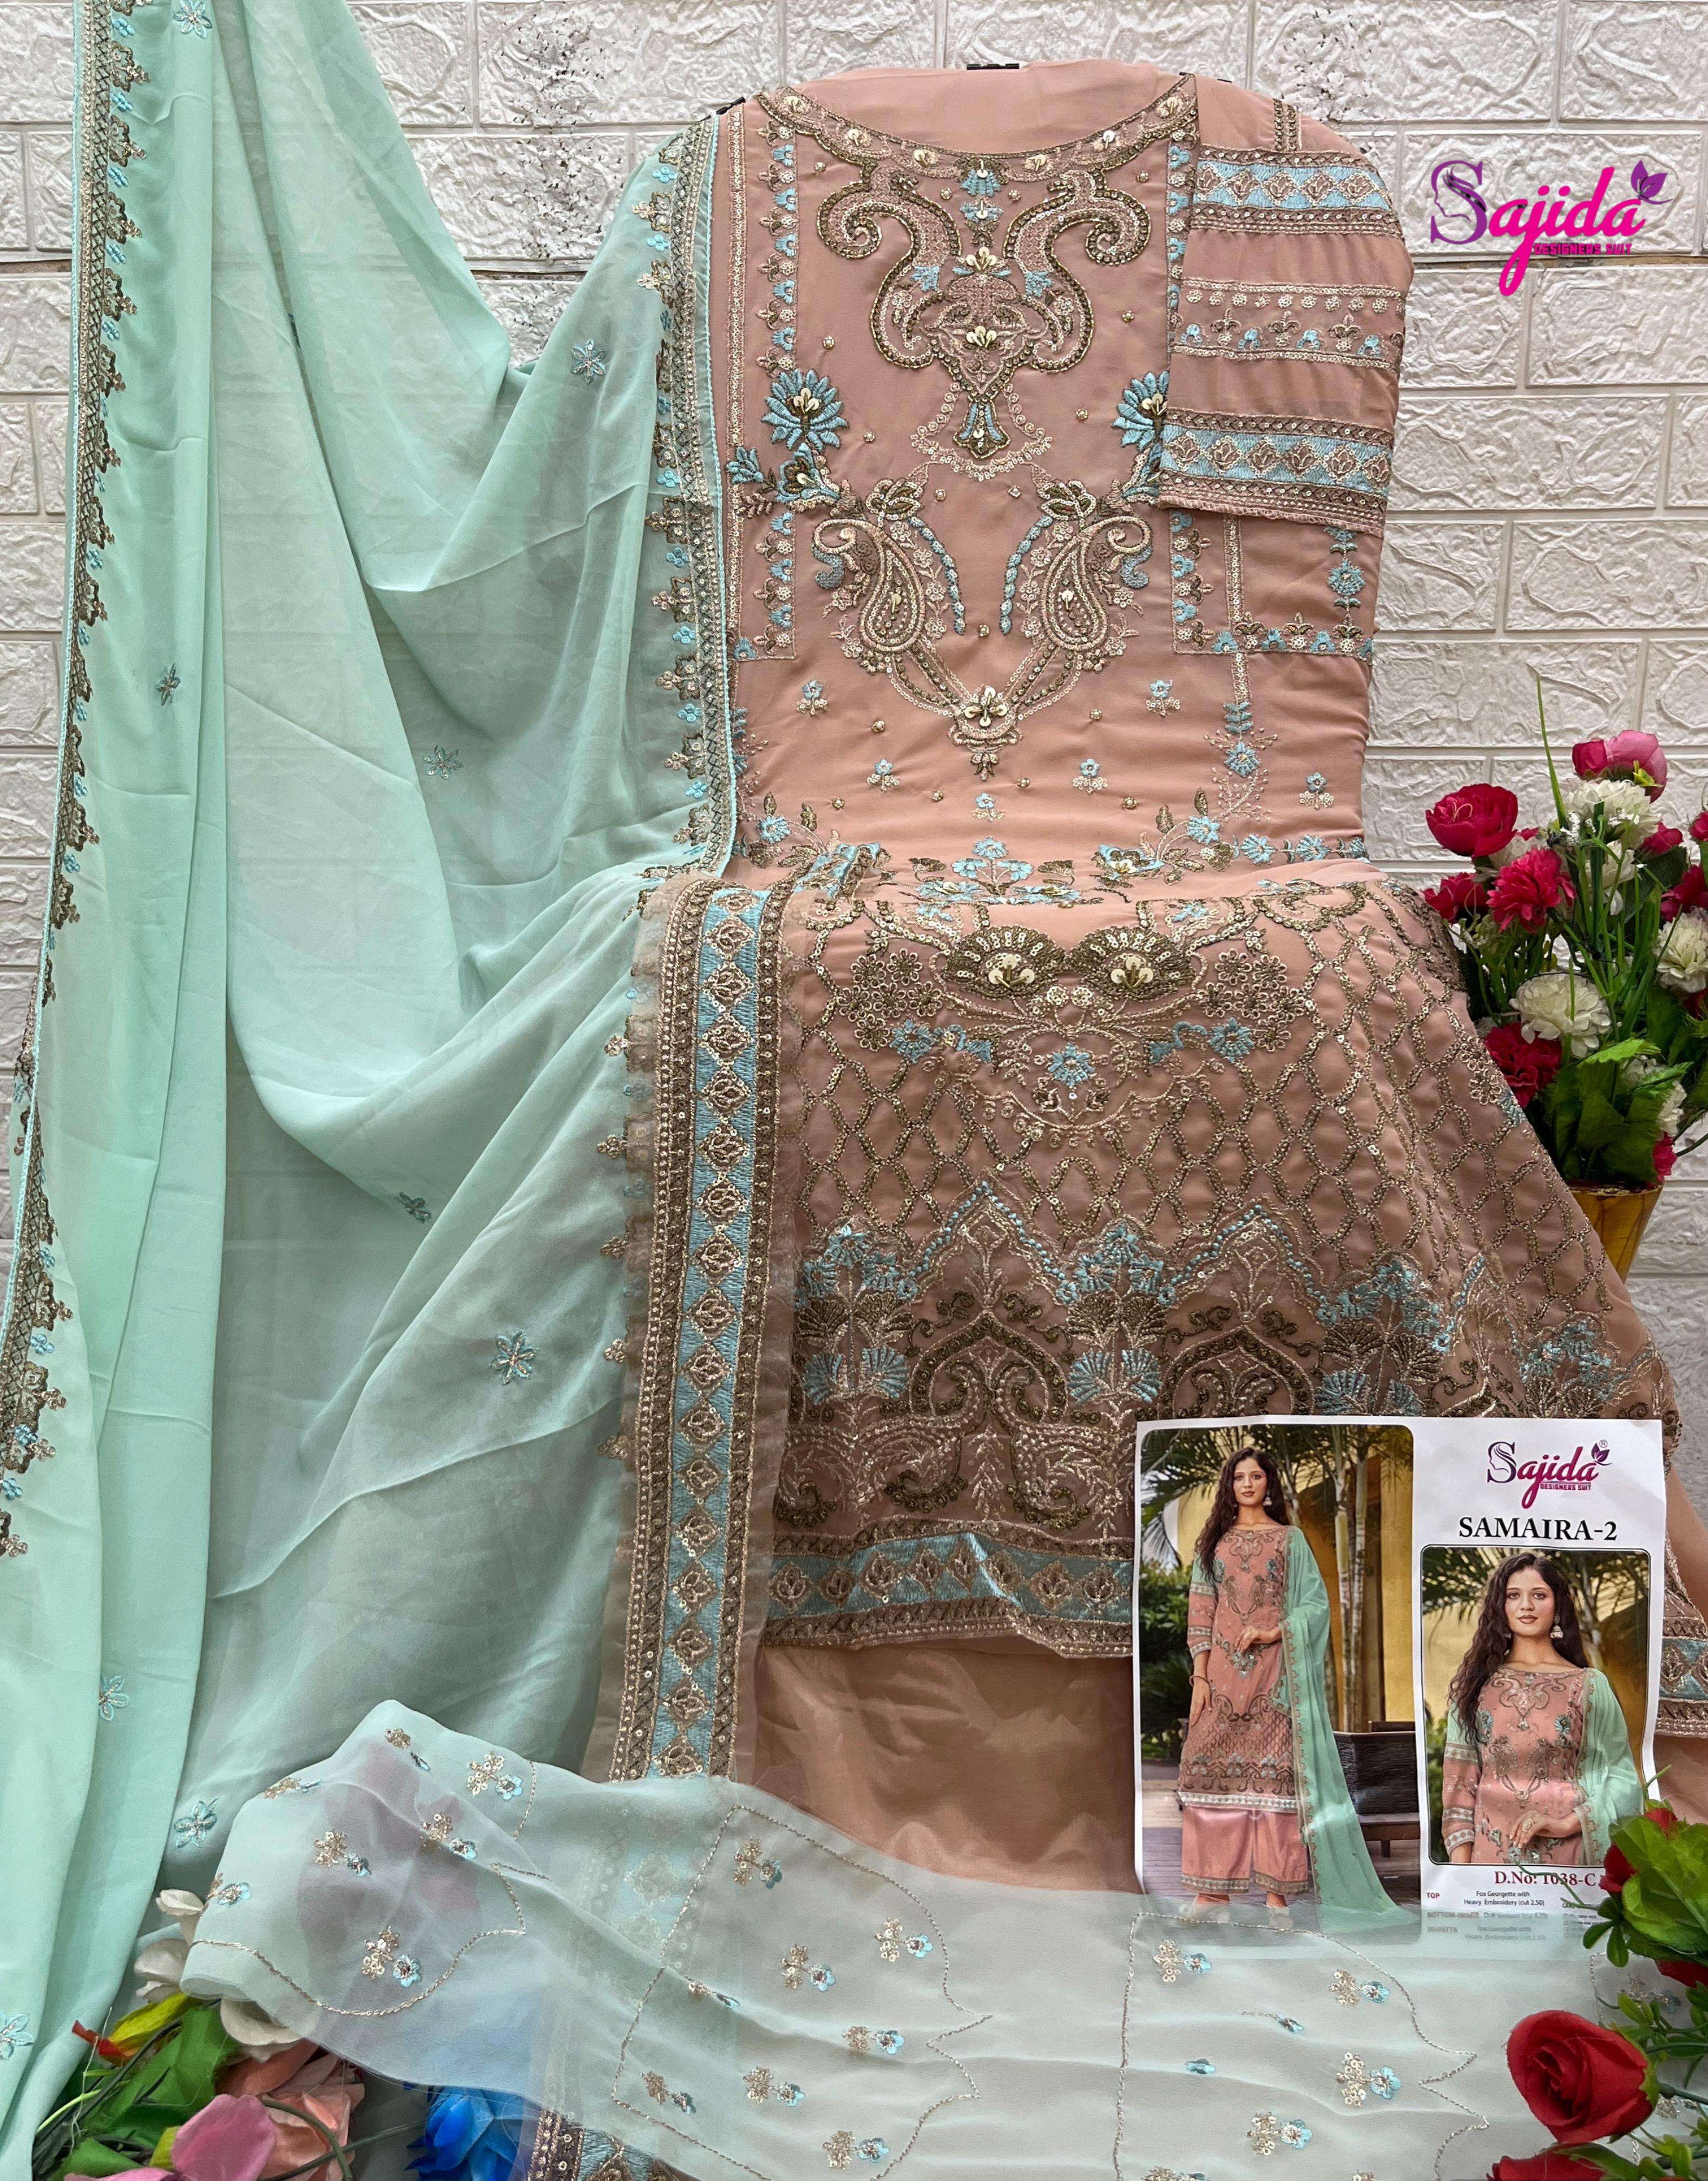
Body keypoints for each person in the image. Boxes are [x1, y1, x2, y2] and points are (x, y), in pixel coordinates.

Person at [1177, 1446, 1384, 1926]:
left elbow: (1316, 1605)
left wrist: (1275, 1632)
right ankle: (1212, 1897)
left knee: (1276, 1786)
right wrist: (1200, 1678)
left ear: (1268, 1484)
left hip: (1276, 1678)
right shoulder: (1214, 1543)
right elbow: (1201, 1613)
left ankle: (1276, 1900)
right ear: (1230, 1486)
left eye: (1256, 1476)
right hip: (1221, 1681)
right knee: (1205, 1774)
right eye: (1239, 1477)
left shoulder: (1290, 1540)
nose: (1248, 1484)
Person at [1442, 1553, 1644, 1867]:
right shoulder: (1474, 1686)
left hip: (1570, 1857)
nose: (1526, 1606)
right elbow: (1459, 1789)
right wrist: (1462, 1876)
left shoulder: (1589, 1686)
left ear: (1557, 1606)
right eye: (1513, 1596)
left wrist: (1566, 1824)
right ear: (1500, 1607)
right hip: (1490, 1863)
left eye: (1539, 1595)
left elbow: (1621, 1777)